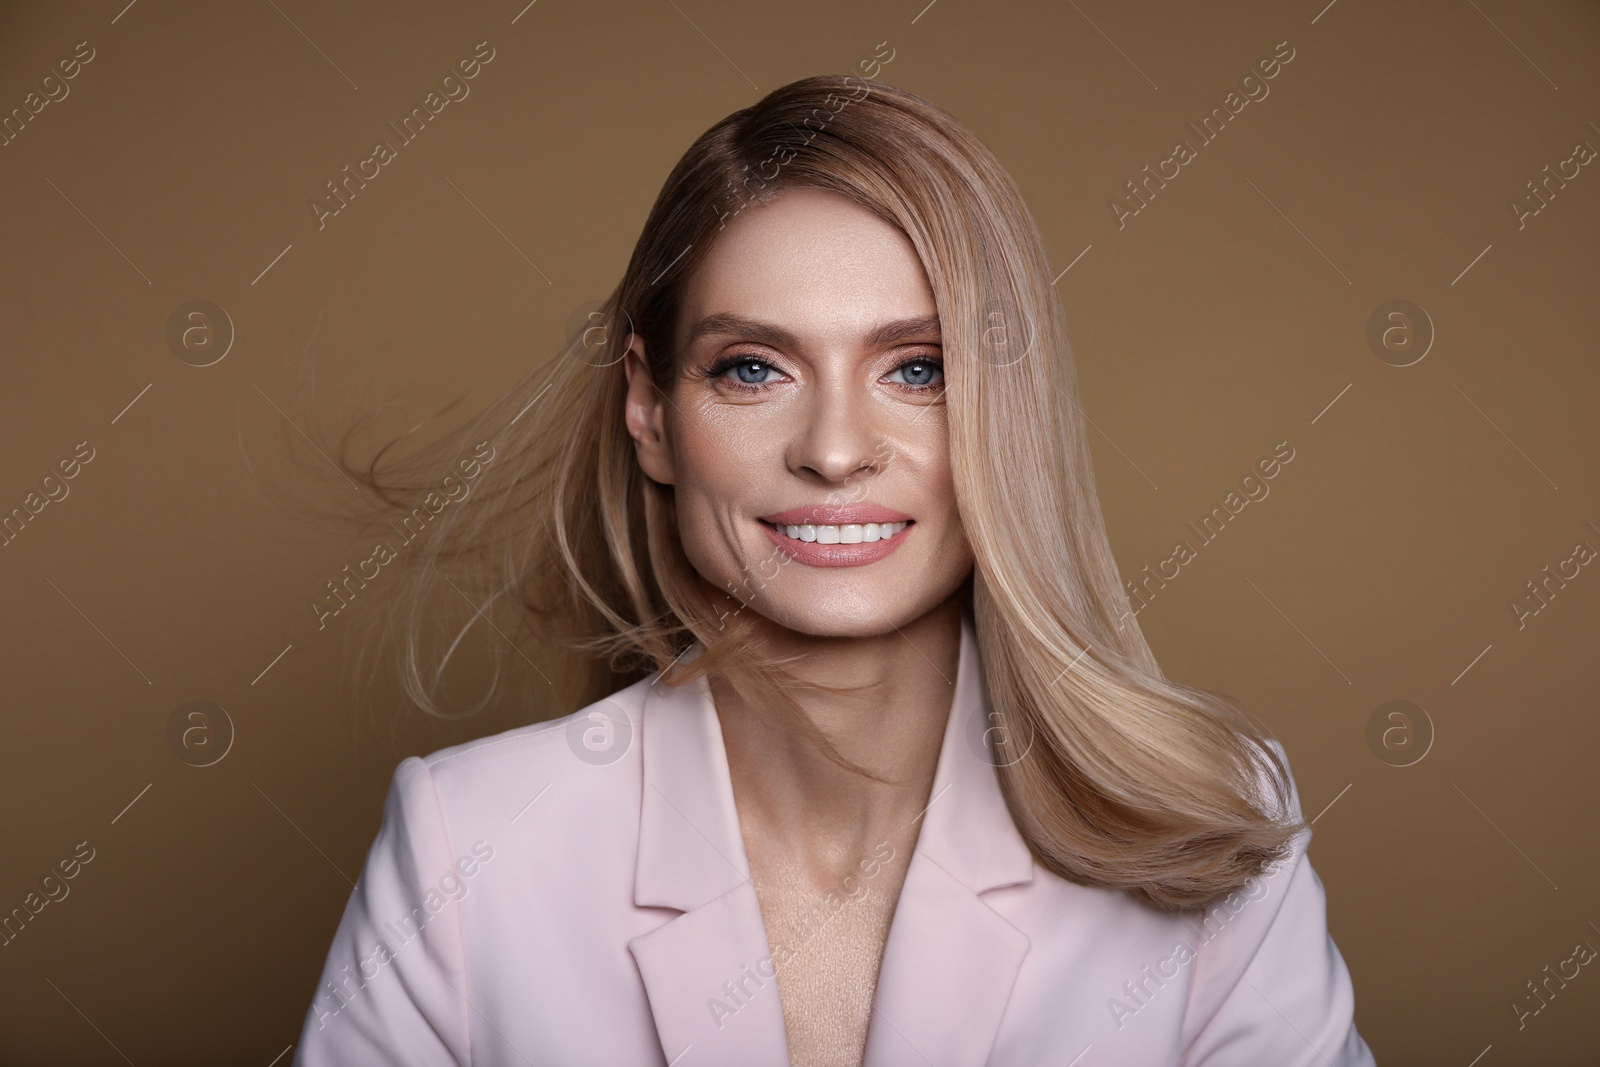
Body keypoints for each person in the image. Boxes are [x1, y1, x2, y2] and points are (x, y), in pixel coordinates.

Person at [293, 73, 1376, 1066]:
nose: (835, 447)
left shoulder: (1212, 823)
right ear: (649, 410)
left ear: (1008, 410)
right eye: (753, 367)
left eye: (918, 367)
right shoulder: (467, 843)